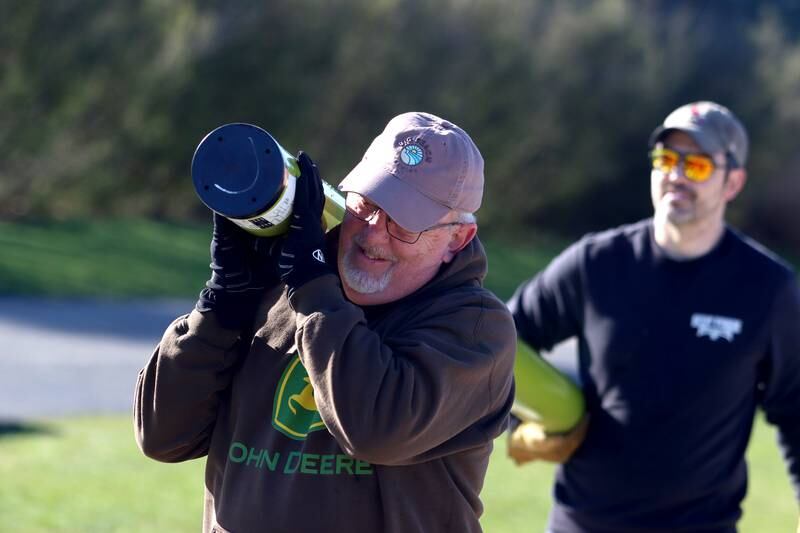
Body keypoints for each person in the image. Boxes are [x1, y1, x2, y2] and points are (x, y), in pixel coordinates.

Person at [134, 111, 516, 533]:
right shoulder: (288, 287)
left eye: (403, 224)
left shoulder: (476, 329)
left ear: (457, 239)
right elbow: (163, 435)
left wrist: (314, 291)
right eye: (367, 204)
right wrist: (222, 307)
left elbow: (375, 430)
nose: (373, 233)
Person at [506, 101, 800, 532]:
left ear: (733, 182)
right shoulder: (596, 263)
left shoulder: (767, 288)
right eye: (666, 160)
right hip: (583, 523)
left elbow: (796, 410)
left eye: (697, 166)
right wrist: (528, 419)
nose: (676, 176)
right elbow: (500, 343)